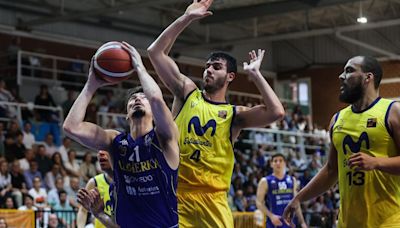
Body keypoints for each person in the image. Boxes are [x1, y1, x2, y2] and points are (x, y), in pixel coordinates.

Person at [147, 0, 284, 226]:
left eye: (216, 67)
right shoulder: (187, 93)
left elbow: (276, 112)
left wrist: (256, 75)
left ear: (230, 76)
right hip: (177, 196)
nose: (208, 69)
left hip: (214, 200)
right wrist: (186, 18)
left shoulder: (234, 115)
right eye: (207, 66)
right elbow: (155, 52)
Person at [63, 42, 179, 227]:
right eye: (132, 99)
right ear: (126, 113)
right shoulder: (115, 141)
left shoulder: (165, 137)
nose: (137, 99)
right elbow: (71, 127)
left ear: (155, 111)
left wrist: (139, 67)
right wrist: (91, 84)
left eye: (143, 97)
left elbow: (156, 98)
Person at [283, 56, 400, 227]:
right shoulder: (337, 120)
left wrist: (376, 162)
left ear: (368, 77)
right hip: (347, 222)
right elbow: (331, 170)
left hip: (389, 221)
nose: (341, 76)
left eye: (349, 70)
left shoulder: (392, 111)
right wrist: (299, 198)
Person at [256, 153, 307, 228]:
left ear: (285, 163)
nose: (278, 163)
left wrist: (302, 222)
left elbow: (296, 203)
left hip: (290, 223)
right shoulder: (265, 181)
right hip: (273, 223)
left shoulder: (292, 180)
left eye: (280, 160)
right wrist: (271, 216)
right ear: (271, 164)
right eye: (275, 161)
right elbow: (259, 203)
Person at [77, 151, 113, 228]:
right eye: (98, 151)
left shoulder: (127, 181)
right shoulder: (94, 182)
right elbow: (83, 210)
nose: (100, 153)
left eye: (106, 150)